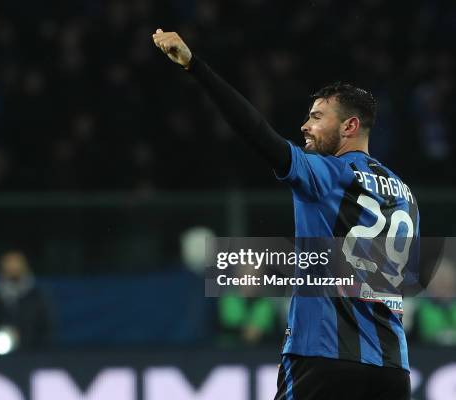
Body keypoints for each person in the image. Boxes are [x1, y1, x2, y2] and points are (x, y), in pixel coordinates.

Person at [152, 29, 418, 400]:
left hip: (325, 359)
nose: (305, 127)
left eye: (316, 117)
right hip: (392, 370)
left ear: (350, 126)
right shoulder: (405, 195)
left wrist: (196, 68)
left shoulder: (328, 174)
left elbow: (257, 133)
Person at [0, 251, 52, 351]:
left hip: (32, 354)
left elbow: (46, 330)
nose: (13, 269)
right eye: (9, 266)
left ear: (25, 268)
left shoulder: (38, 298)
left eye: (16, 265)